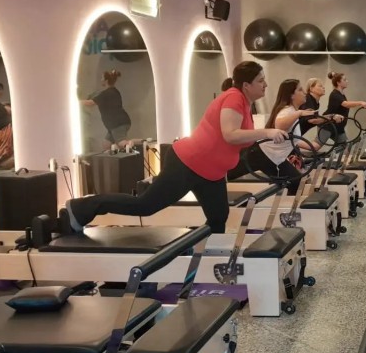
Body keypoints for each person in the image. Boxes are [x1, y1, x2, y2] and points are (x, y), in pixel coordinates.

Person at [65, 61, 286, 234]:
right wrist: (267, 132)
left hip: (211, 172)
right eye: (261, 81)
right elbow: (231, 134)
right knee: (146, 205)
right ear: (246, 85)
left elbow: (236, 139)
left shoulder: (245, 103)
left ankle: (208, 262)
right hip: (189, 163)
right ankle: (82, 207)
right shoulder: (234, 98)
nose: (265, 84)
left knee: (219, 216)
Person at [228, 79, 316, 194]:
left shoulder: (292, 111)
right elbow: (279, 124)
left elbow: (293, 140)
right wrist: (299, 113)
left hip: (274, 159)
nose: (304, 92)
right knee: (226, 175)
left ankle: (289, 205)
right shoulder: (287, 111)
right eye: (300, 90)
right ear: (291, 95)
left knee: (296, 182)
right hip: (260, 154)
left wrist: (314, 146)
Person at [80, 70, 132, 149]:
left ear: (106, 81)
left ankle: (135, 143)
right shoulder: (114, 91)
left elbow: (90, 103)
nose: (101, 80)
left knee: (122, 143)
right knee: (106, 144)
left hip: (117, 124)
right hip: (115, 124)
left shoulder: (106, 94)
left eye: (102, 78)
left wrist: (75, 101)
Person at [321, 71, 366, 144]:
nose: (347, 81)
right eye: (344, 80)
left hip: (338, 127)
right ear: (338, 83)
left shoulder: (341, 94)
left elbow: (346, 104)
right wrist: (360, 102)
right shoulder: (335, 94)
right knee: (316, 146)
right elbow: (346, 104)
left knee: (343, 147)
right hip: (328, 126)